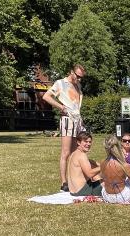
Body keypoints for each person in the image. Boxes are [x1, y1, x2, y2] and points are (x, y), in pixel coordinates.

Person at [43, 64, 86, 192]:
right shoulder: (60, 83)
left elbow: (76, 105)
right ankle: (64, 183)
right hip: (67, 121)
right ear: (71, 72)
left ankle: (74, 180)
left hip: (78, 121)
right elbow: (46, 96)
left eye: (81, 77)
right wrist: (60, 107)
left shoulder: (78, 86)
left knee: (76, 153)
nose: (79, 79)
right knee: (66, 153)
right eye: (77, 76)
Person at [100, 135, 130, 203]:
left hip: (107, 196)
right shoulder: (124, 165)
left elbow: (101, 180)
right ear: (118, 146)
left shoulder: (102, 162)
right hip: (122, 197)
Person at [67, 131, 102, 196]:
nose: (88, 144)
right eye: (86, 142)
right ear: (78, 142)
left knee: (97, 174)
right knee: (106, 182)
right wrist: (104, 167)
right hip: (82, 191)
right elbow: (89, 174)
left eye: (90, 142)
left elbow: (88, 162)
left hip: (73, 191)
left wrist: (98, 164)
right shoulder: (82, 155)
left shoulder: (74, 154)